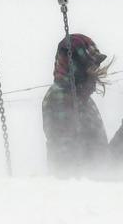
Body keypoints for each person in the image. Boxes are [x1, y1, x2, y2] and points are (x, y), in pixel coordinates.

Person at [42, 34, 111, 175]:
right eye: (91, 66)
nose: (96, 71)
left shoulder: (83, 97)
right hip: (77, 186)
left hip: (95, 182)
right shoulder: (60, 99)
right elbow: (64, 151)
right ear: (76, 67)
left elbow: (98, 144)